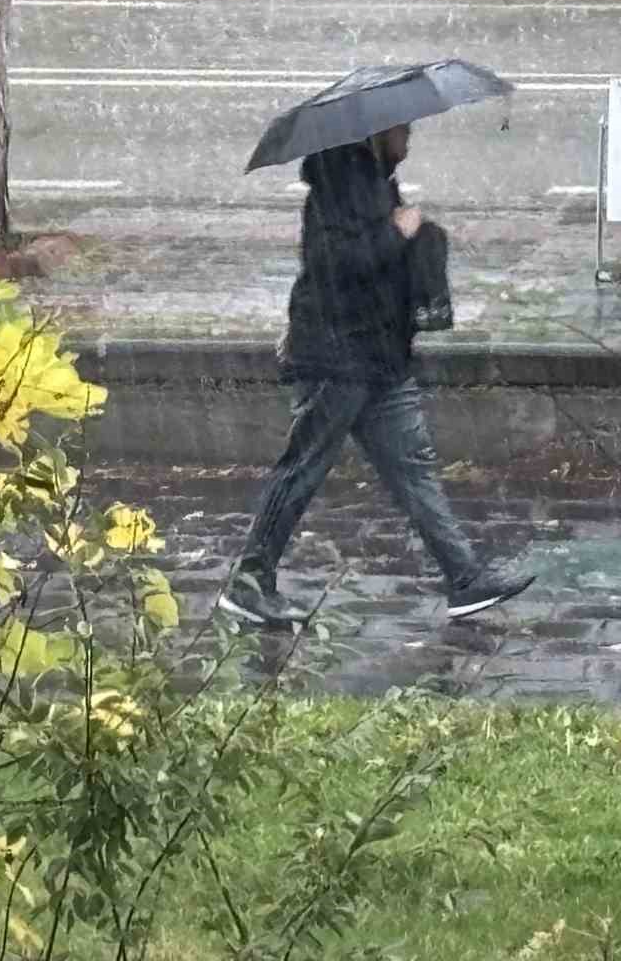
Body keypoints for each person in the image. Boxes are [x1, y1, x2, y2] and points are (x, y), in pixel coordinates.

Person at [219, 123, 537, 628]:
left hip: (380, 356)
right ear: (378, 131)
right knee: (304, 466)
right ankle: (250, 581)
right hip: (338, 358)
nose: (409, 138)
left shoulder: (374, 179)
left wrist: (411, 236)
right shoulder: (340, 183)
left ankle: (465, 578)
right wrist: (399, 232)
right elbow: (335, 263)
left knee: (413, 466)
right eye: (403, 129)